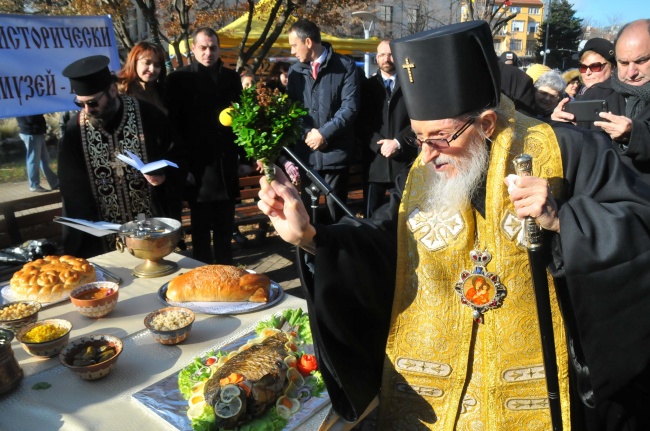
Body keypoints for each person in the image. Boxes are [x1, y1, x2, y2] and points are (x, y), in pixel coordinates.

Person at [257, 20, 650, 430]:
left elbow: (639, 234)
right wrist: (312, 237)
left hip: (542, 386)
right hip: (442, 395)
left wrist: (561, 220)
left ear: (485, 124)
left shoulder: (572, 151)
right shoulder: (426, 168)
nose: (426, 156)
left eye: (439, 138)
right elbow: (385, 242)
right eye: (418, 138)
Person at [59, 55, 174, 258]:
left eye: (93, 103)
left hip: (149, 224)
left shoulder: (147, 115)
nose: (87, 110)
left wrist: (164, 176)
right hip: (100, 235)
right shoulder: (74, 131)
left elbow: (175, 151)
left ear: (112, 91)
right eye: (81, 104)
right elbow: (71, 187)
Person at [166, 27, 243, 265]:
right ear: (193, 50)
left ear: (219, 49)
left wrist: (245, 158)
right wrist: (182, 166)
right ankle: (203, 280)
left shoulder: (231, 78)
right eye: (203, 48)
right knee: (200, 232)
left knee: (225, 228)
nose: (208, 52)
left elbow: (242, 121)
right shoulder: (179, 79)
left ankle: (227, 273)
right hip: (197, 167)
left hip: (226, 163)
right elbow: (174, 126)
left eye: (213, 48)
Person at [286, 19, 360, 224]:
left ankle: (338, 255)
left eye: (294, 45)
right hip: (307, 157)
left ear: (308, 42)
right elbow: (292, 112)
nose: (292, 51)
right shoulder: (295, 72)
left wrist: (324, 134)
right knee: (309, 218)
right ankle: (312, 256)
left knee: (337, 216)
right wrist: (308, 134)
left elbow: (350, 108)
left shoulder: (345, 66)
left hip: (335, 156)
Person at [357, 39, 417, 218]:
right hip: (375, 164)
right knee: (372, 216)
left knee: (406, 215)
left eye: (390, 54)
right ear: (376, 58)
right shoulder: (367, 87)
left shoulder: (410, 86)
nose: (386, 58)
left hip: (403, 162)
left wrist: (398, 142)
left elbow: (417, 121)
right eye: (382, 54)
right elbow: (361, 123)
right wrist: (379, 145)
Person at [116, 41, 168, 116]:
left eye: (157, 65)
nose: (152, 69)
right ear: (134, 62)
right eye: (147, 63)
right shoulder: (120, 92)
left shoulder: (162, 91)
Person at [16, 114, 58, 193]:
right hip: (31, 132)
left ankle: (54, 182)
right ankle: (34, 185)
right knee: (33, 159)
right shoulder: (26, 103)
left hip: (36, 132)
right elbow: (30, 119)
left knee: (44, 159)